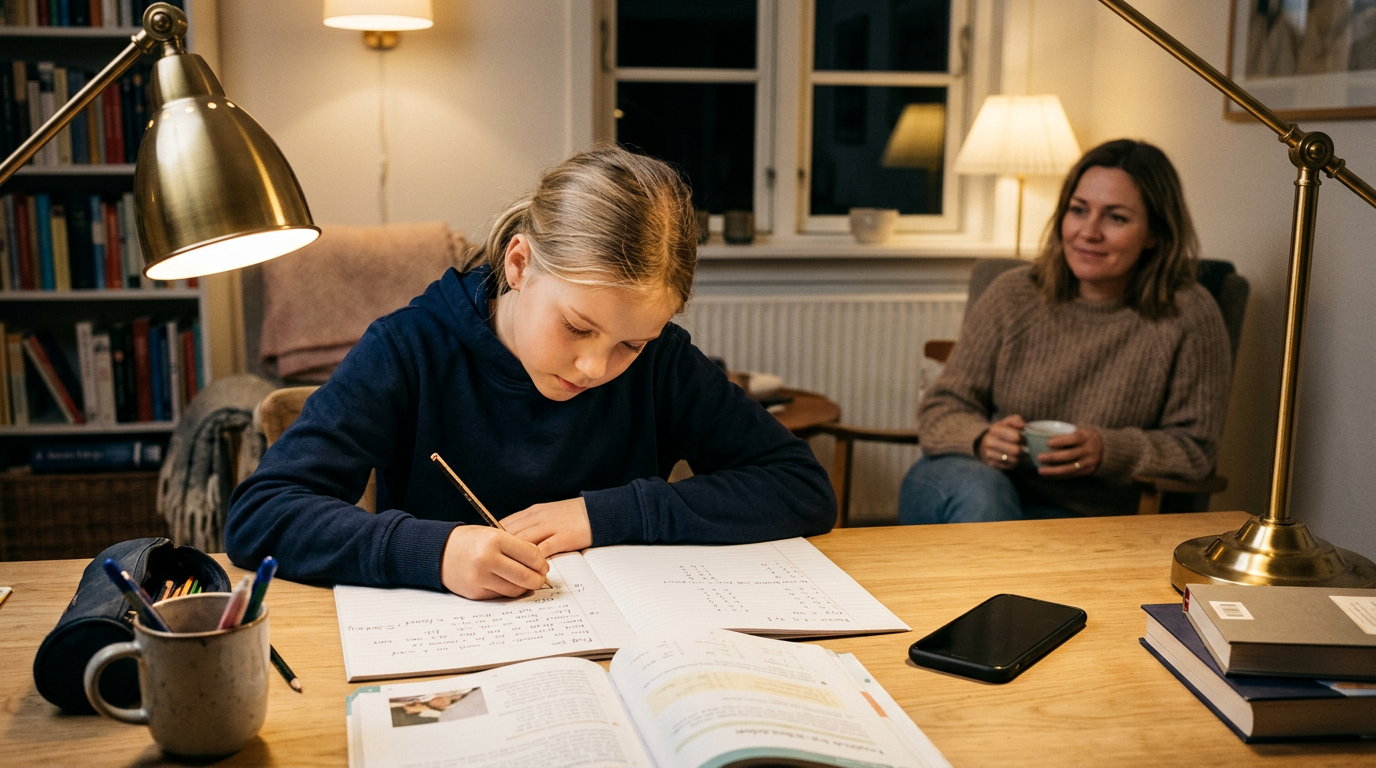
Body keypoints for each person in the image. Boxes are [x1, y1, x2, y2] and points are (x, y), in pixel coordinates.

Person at [225, 146, 836, 598]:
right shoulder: (409, 348)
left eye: (630, 343)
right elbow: (262, 515)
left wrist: (605, 514)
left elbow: (799, 487)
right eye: (576, 327)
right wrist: (433, 551)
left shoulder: (664, 360)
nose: (596, 367)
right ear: (519, 263)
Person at [898, 139, 1232, 523]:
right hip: (973, 484)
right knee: (984, 493)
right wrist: (982, 438)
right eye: (1078, 210)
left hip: (1094, 517)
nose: (1088, 232)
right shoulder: (1013, 293)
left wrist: (1108, 450)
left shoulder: (1188, 314)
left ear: (1155, 232)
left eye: (1116, 218)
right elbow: (941, 408)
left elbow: (1195, 450)